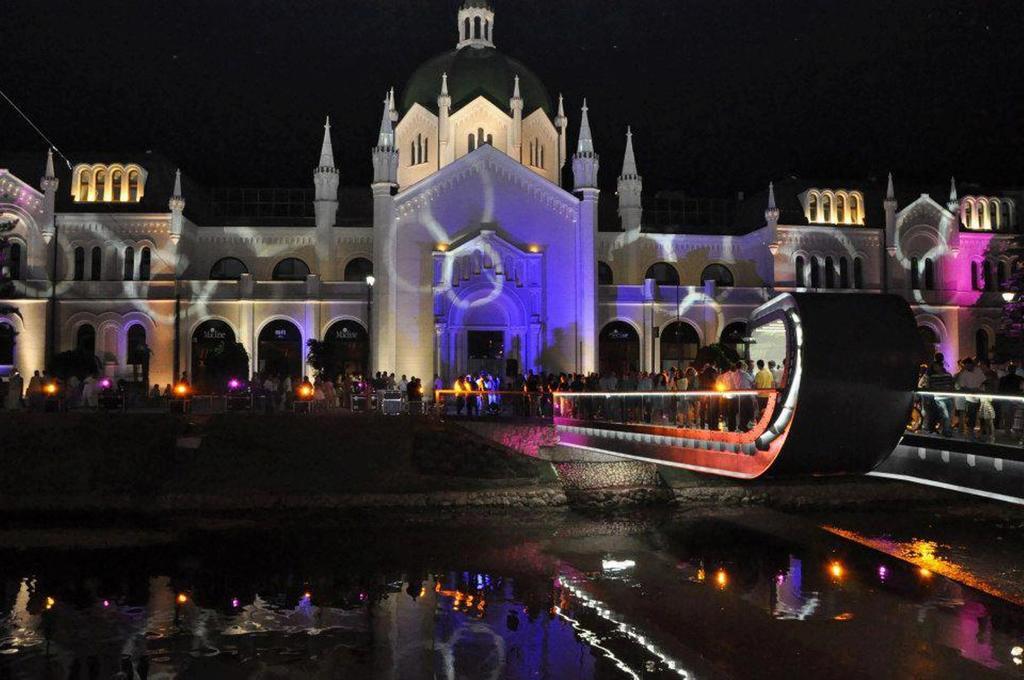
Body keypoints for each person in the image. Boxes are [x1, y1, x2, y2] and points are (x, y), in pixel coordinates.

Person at [955, 357, 985, 439]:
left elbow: (983, 381)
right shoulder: (964, 374)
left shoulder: (978, 371)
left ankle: (981, 431)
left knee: (982, 414)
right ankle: (970, 431)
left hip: (981, 396)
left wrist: (979, 388)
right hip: (970, 398)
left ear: (971, 364)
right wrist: (970, 389)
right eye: (965, 366)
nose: (967, 367)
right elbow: (962, 386)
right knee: (971, 415)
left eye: (968, 365)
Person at [926, 353, 954, 437]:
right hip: (939, 398)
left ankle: (945, 430)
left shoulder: (947, 375)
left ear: (940, 366)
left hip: (947, 397)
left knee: (947, 415)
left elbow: (951, 384)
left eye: (936, 366)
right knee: (946, 415)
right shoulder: (934, 376)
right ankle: (947, 431)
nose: (935, 368)